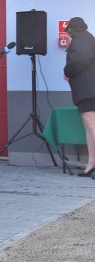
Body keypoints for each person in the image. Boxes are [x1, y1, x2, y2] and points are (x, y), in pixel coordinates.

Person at [63, 17, 95, 179]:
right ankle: (91, 164)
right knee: (89, 125)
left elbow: (81, 59)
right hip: (87, 89)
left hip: (89, 89)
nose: (68, 34)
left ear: (75, 29)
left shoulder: (82, 38)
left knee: (91, 124)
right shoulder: (86, 38)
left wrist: (67, 71)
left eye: (69, 30)